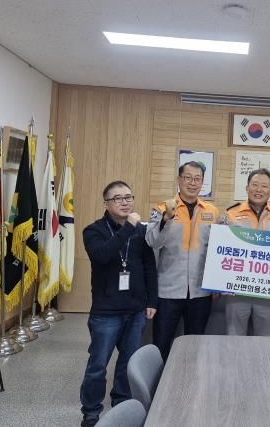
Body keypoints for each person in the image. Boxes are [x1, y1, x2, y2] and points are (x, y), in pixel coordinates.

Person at [79, 181, 157, 427]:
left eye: (128, 197)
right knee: (98, 365)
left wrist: (151, 300)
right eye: (118, 198)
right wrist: (129, 227)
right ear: (106, 204)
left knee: (127, 362)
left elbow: (149, 267)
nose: (125, 202)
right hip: (106, 312)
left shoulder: (141, 231)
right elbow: (103, 255)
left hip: (136, 310)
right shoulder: (93, 231)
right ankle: (91, 411)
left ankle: (121, 403)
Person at [145, 161, 219, 361]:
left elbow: (217, 251)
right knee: (162, 343)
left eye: (197, 179)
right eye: (187, 178)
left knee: (194, 344)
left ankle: (190, 378)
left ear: (202, 182)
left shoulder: (212, 212)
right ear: (179, 180)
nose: (192, 183)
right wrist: (166, 219)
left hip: (200, 291)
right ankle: (159, 379)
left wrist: (217, 283)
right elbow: (152, 241)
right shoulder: (162, 208)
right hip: (168, 290)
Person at [222, 168, 270, 336]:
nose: (259, 190)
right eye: (255, 185)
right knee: (234, 336)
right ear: (247, 188)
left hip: (267, 291)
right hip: (236, 288)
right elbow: (220, 249)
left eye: (264, 186)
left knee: (265, 339)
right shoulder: (231, 214)